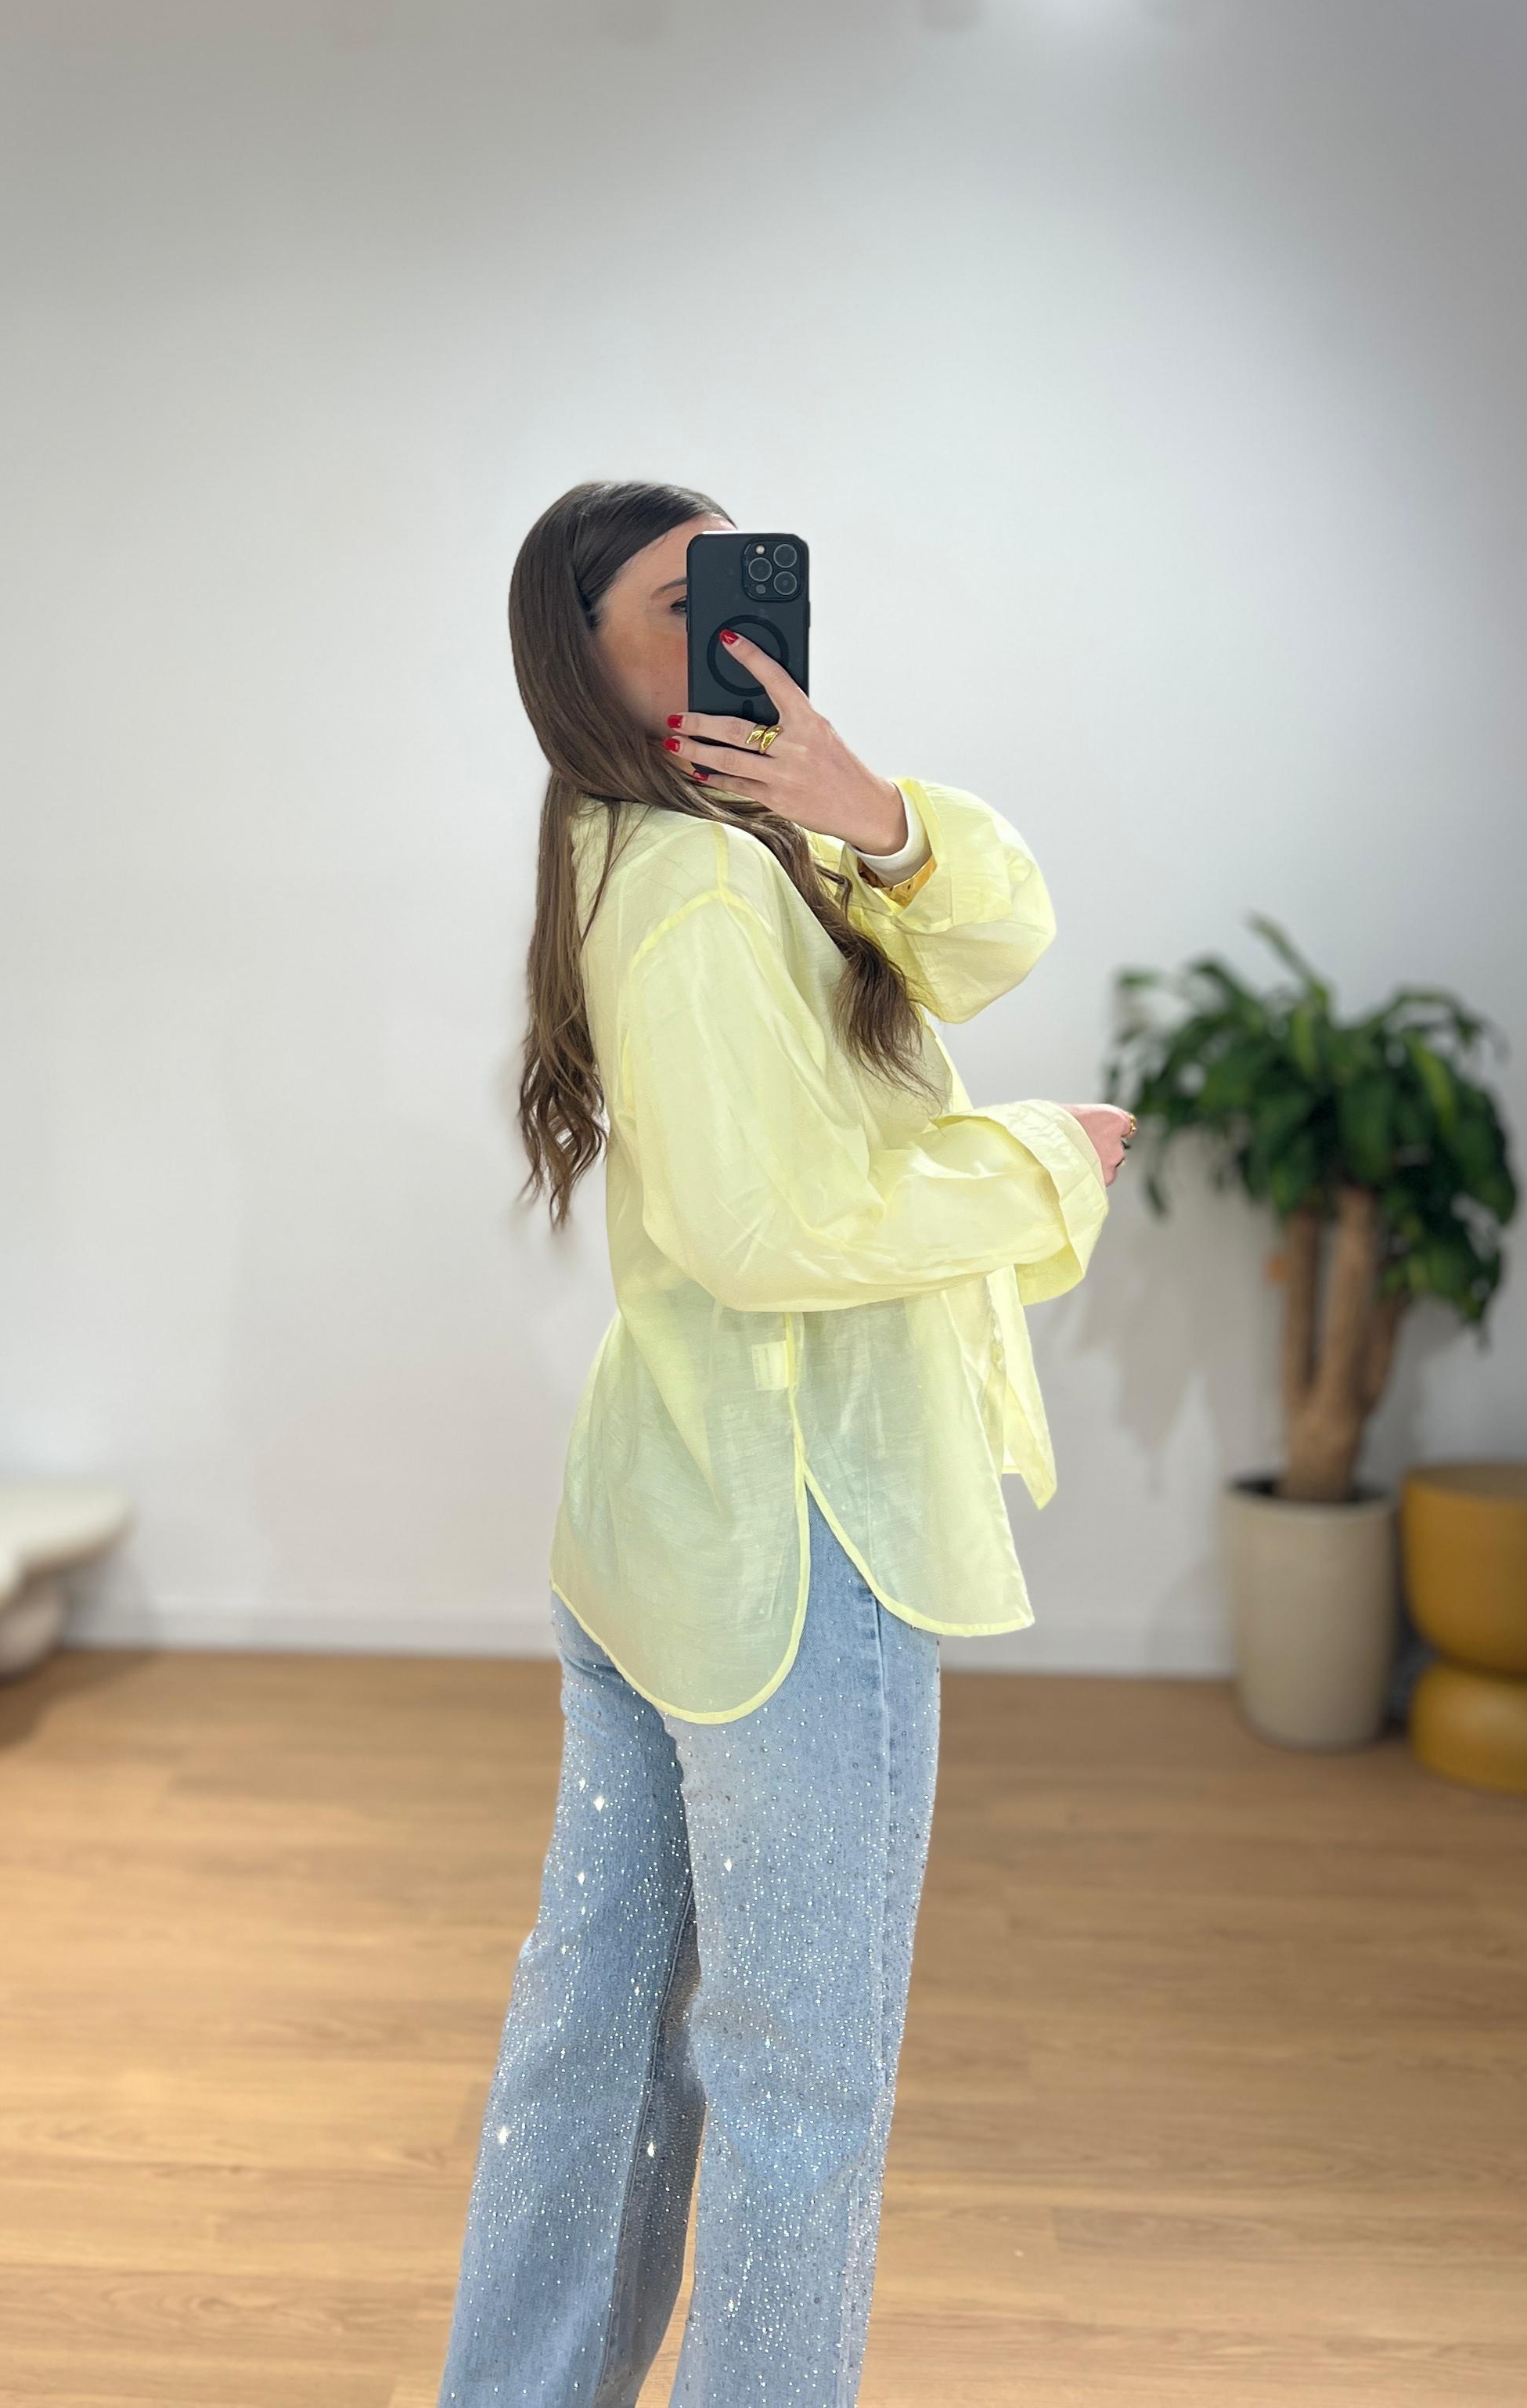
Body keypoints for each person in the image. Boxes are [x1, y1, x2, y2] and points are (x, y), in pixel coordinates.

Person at [436, 479, 1136, 2406]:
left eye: (746, 588)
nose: (734, 633)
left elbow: (991, 933)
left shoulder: (682, 842)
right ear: (583, 668)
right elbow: (769, 1228)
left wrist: (870, 807)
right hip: (794, 1547)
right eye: (682, 605)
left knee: (596, 2043)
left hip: (669, 1526)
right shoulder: (695, 887)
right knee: (797, 2082)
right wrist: (1041, 1165)